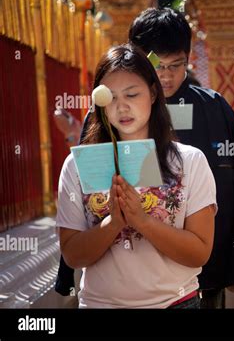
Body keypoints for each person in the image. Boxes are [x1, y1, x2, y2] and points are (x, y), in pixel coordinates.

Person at [56, 44, 217, 308]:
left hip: (175, 303)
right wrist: (114, 222)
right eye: (111, 98)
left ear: (153, 93)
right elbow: (73, 255)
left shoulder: (189, 161)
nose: (122, 108)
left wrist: (142, 221)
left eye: (132, 94)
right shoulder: (77, 165)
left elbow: (200, 251)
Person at [126, 7, 234, 308]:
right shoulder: (114, 111)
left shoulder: (215, 110)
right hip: (133, 272)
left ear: (189, 58)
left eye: (177, 65)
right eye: (157, 65)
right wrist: (70, 273)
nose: (166, 76)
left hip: (206, 267)